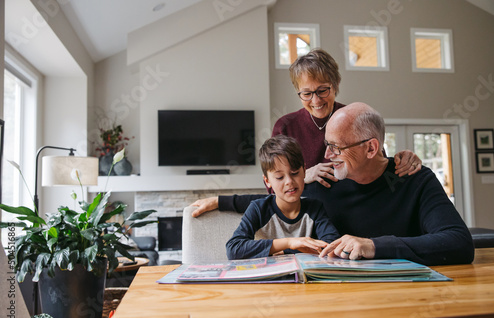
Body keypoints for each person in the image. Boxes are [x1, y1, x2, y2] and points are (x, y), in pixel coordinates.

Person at [200, 103, 475, 266]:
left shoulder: (412, 178)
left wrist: (373, 246)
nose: (327, 155)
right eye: (327, 145)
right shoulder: (327, 180)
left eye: (335, 147)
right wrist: (219, 201)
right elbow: (277, 198)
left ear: (371, 148)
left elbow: (459, 243)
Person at [191, 48, 421, 217]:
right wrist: (305, 175)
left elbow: (376, 166)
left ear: (336, 84)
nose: (316, 100)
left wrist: (404, 159)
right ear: (298, 92)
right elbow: (274, 187)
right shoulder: (286, 126)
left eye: (323, 90)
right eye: (306, 93)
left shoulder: (352, 119)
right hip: (307, 215)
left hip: (356, 211)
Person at [226, 135, 340, 260]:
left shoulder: (315, 208)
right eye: (280, 177)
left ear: (304, 171)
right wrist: (289, 243)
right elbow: (234, 249)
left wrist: (285, 250)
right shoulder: (258, 208)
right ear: (267, 181)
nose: (289, 182)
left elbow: (331, 246)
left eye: (295, 173)